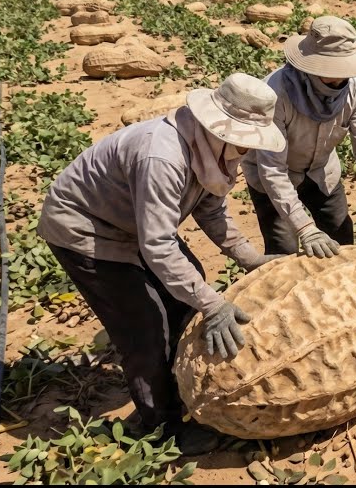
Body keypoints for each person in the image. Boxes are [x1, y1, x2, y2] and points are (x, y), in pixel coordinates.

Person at [37, 73, 288, 455]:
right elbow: (158, 245)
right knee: (144, 327)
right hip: (88, 231)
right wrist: (213, 304)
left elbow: (211, 210)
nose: (247, 150)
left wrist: (250, 257)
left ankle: (180, 385)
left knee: (187, 290)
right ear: (218, 126)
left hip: (135, 225)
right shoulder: (162, 155)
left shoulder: (216, 150)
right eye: (243, 140)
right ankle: (163, 428)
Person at [244, 16, 356, 256]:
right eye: (329, 71)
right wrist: (305, 228)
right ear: (307, 66)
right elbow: (273, 169)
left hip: (321, 171)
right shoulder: (274, 94)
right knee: (284, 252)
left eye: (342, 71)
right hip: (272, 177)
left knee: (341, 238)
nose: (338, 79)